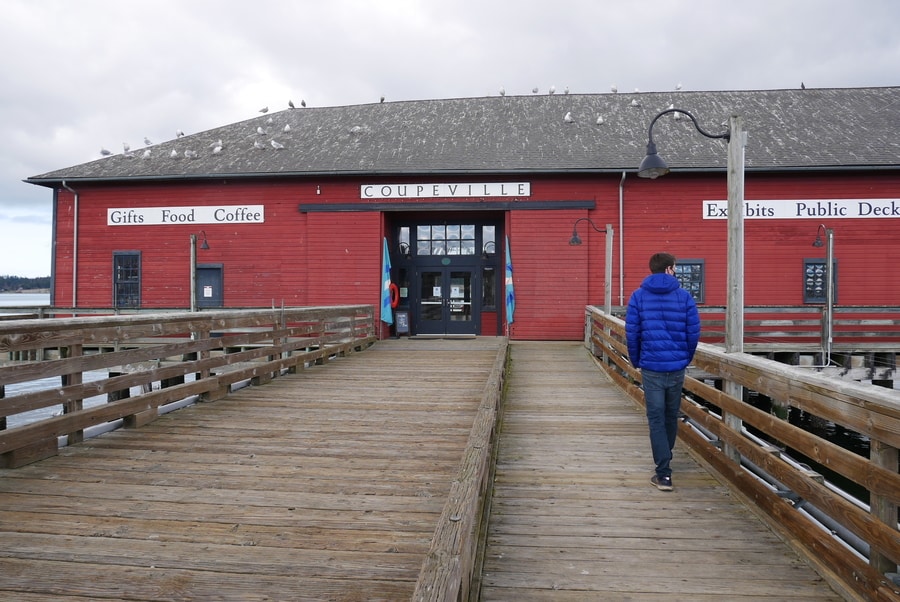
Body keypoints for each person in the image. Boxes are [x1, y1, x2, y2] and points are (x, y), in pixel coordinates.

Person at [625, 253, 700, 492]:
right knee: (670, 415)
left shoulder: (638, 296)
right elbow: (693, 332)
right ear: (669, 269)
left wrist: (637, 360)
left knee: (656, 418)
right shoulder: (684, 297)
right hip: (676, 366)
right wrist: (685, 358)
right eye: (675, 267)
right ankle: (665, 462)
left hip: (652, 366)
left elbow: (632, 333)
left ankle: (663, 473)